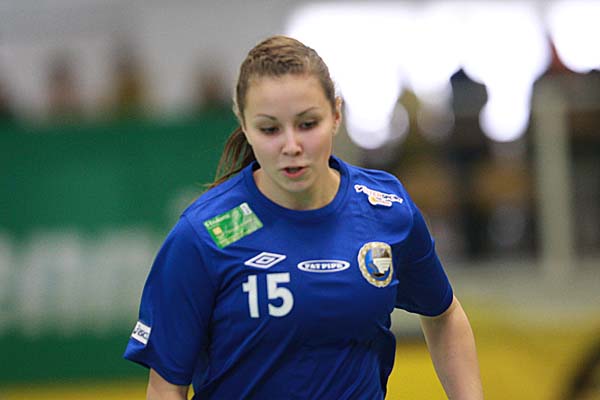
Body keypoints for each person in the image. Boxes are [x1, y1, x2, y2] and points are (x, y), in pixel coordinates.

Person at [124, 35, 483, 399]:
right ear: (244, 125)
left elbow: (445, 315)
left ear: (336, 115)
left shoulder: (386, 210)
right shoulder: (205, 235)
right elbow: (166, 387)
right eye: (269, 129)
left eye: (308, 124)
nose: (291, 146)